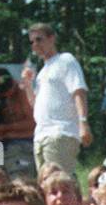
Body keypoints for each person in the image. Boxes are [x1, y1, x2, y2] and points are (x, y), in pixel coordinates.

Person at [24, 22, 92, 176]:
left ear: (52, 39)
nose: (35, 45)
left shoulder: (65, 60)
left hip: (61, 132)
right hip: (41, 135)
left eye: (39, 39)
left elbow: (78, 91)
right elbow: (35, 104)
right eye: (32, 42)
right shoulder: (42, 72)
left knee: (60, 182)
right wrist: (28, 85)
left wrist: (83, 123)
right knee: (46, 187)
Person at [0, 68, 35, 180]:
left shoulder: (22, 91)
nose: (5, 95)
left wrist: (6, 128)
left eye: (7, 91)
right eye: (1, 93)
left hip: (21, 143)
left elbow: (33, 123)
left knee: (20, 181)